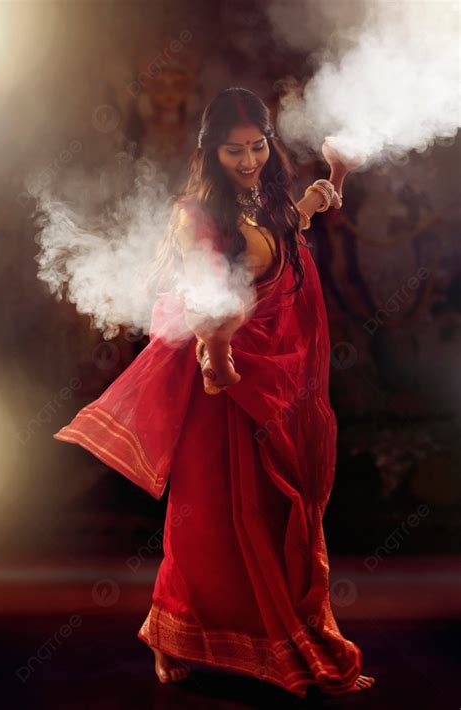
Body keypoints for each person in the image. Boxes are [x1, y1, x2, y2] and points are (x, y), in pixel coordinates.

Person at [53, 87, 375, 699]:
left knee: (283, 509)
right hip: (224, 387)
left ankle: (284, 634)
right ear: (211, 151)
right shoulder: (196, 215)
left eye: (258, 146)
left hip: (278, 377)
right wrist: (219, 359)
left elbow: (291, 228)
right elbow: (205, 304)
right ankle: (171, 634)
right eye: (235, 151)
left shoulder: (267, 194)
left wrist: (331, 179)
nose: (250, 160)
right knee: (215, 519)